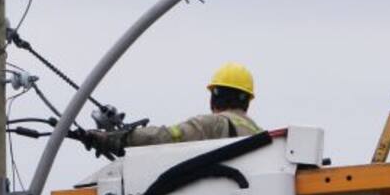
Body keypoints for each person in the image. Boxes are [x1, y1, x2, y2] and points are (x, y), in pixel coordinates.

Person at [89, 62, 262, 154]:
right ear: (247, 101)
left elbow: (168, 137)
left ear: (214, 97)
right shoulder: (259, 135)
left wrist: (119, 138)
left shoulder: (214, 124)